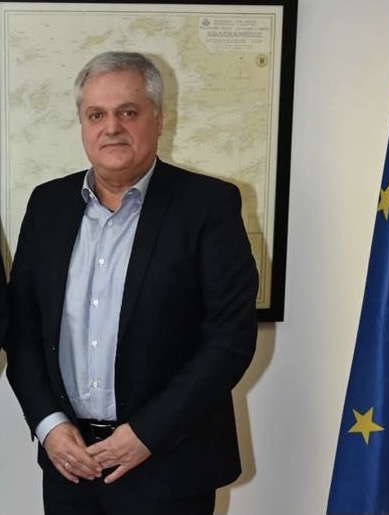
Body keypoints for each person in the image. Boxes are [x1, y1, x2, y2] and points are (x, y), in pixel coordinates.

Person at [5, 51, 258, 515]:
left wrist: (146, 434)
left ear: (158, 120)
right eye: (96, 115)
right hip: (70, 464)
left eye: (128, 112)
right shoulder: (47, 205)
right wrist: (49, 425)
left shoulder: (208, 205)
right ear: (82, 124)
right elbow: (21, 330)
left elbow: (230, 339)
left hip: (169, 463)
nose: (112, 128)